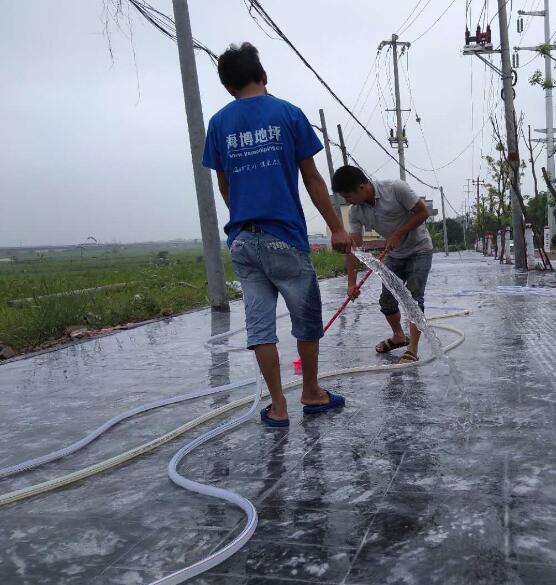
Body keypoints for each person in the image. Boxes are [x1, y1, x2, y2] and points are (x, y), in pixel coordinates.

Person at [202, 42, 351, 427]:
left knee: (260, 326)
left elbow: (224, 185)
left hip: (244, 240)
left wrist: (243, 220)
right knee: (305, 320)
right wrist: (337, 227)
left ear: (228, 86)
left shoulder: (219, 124)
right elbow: (313, 179)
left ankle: (278, 406)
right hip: (284, 235)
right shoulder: (288, 114)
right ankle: (313, 393)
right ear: (263, 76)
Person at [331, 165, 433, 364]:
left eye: (348, 195)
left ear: (362, 187)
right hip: (394, 254)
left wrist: (397, 233)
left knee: (414, 297)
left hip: (419, 249)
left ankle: (412, 348)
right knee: (387, 300)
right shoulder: (355, 212)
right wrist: (351, 283)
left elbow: (423, 213)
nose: (346, 201)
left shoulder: (395, 188)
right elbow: (354, 248)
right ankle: (398, 336)